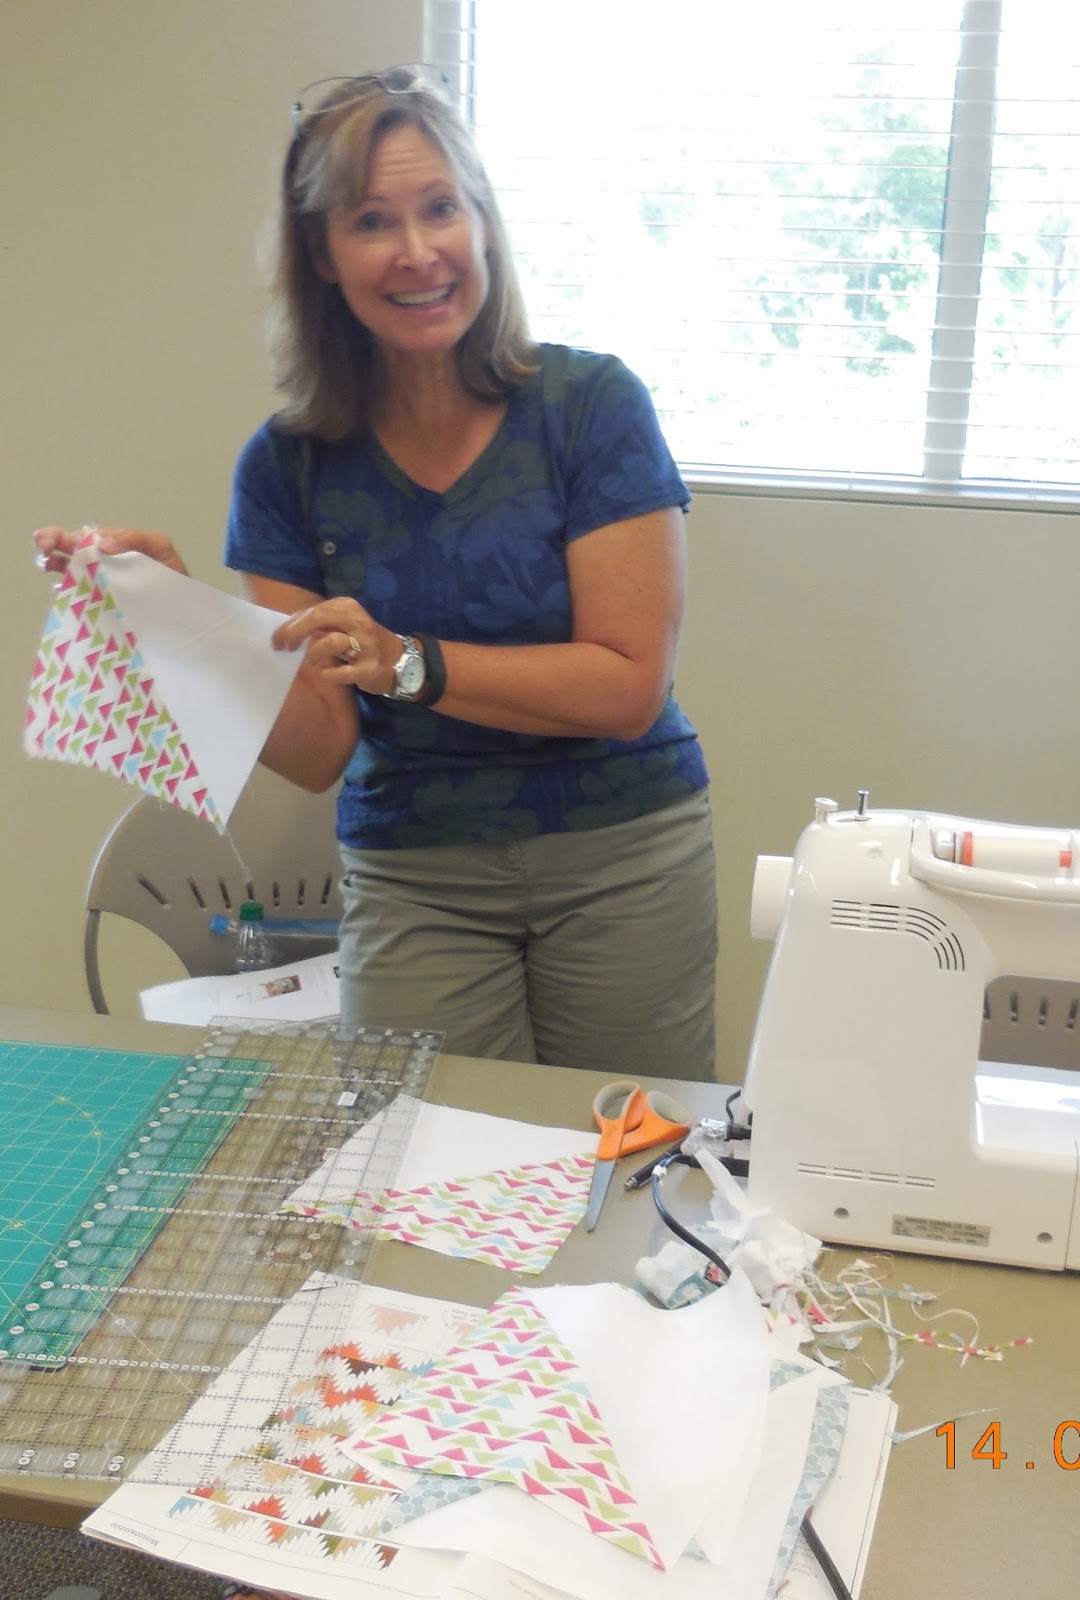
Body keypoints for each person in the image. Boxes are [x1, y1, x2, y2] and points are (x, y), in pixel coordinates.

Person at [34, 65, 717, 1085]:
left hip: (624, 851)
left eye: (441, 208)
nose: (417, 253)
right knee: (419, 1143)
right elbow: (319, 751)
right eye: (371, 221)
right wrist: (176, 613)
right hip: (416, 873)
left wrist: (408, 662)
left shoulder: (590, 407)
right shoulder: (286, 466)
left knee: (626, 1147)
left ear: (482, 223)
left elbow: (627, 688)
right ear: (321, 252)